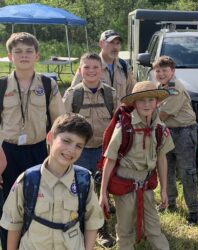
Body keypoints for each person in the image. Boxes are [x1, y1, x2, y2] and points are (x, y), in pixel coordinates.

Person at [0, 113, 104, 250]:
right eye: (66, 141)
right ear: (50, 138)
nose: (71, 150)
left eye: (79, 146)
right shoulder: (27, 181)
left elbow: (92, 221)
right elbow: (14, 224)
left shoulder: (84, 181)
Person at [0, 32, 65, 249]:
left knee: (39, 200)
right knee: (9, 205)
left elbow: (60, 121)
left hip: (39, 151)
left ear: (37, 55)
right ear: (10, 57)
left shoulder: (48, 84)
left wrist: (57, 152)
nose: (24, 55)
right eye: (18, 51)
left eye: (29, 51)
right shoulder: (1, 86)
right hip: (7, 153)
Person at [99, 81, 174, 250]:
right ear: (134, 103)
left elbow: (162, 159)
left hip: (147, 183)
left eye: (150, 100)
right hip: (125, 181)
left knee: (154, 226)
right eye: (141, 100)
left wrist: (163, 189)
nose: (146, 104)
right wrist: (103, 192)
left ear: (157, 102)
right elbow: (109, 160)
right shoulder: (124, 127)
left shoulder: (160, 128)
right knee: (125, 229)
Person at [153, 56, 198, 225]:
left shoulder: (174, 88)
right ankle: (170, 202)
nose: (161, 74)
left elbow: (162, 114)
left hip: (183, 132)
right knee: (166, 169)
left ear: (172, 71)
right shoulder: (160, 86)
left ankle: (194, 209)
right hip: (167, 130)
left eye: (165, 70)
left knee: (187, 172)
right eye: (158, 70)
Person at [63, 52, 117, 173]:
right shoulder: (72, 94)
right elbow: (63, 125)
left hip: (104, 150)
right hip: (79, 151)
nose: (91, 71)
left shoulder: (111, 94)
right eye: (86, 67)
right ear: (80, 70)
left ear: (102, 70)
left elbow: (118, 123)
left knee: (103, 186)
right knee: (80, 185)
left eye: (95, 67)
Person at [71, 30, 135, 105]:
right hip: (94, 114)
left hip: (119, 114)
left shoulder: (124, 66)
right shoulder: (88, 66)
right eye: (111, 43)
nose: (115, 47)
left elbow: (131, 94)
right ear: (101, 44)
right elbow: (73, 93)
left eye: (117, 43)